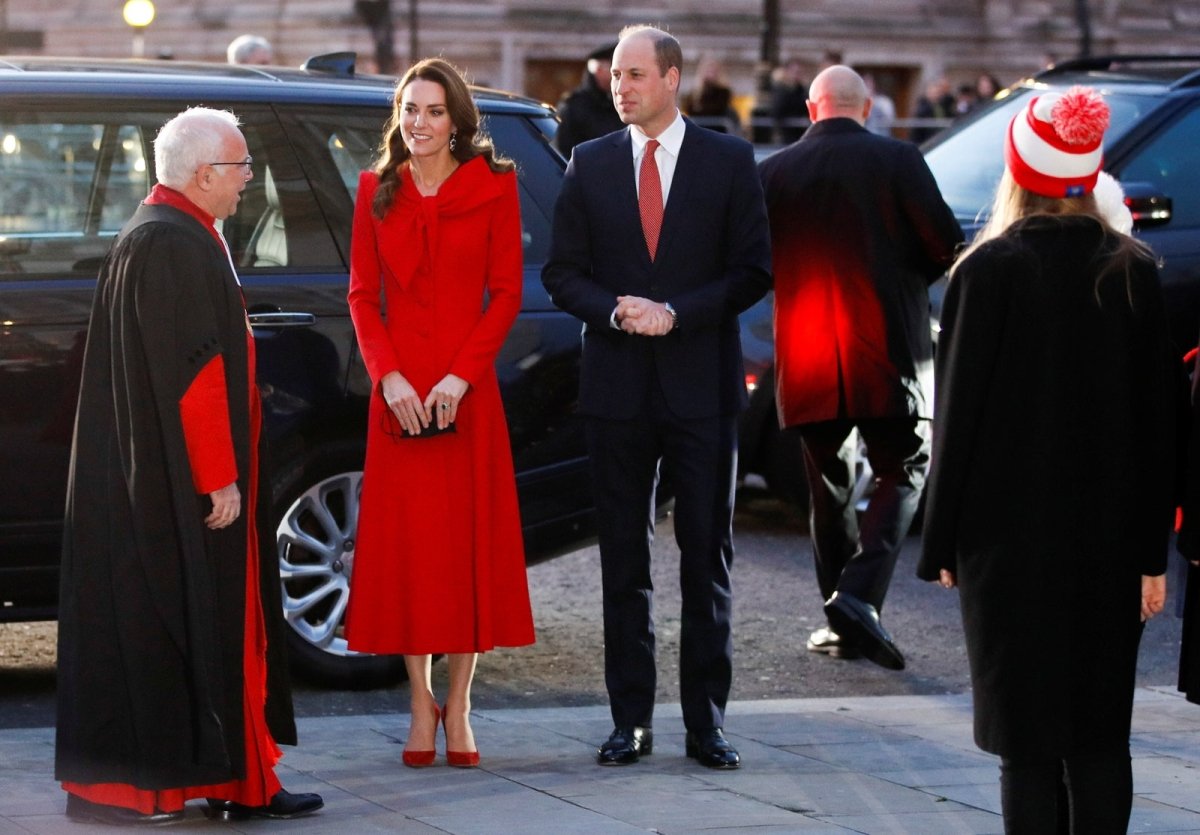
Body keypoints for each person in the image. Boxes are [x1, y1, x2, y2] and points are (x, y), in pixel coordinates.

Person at [55, 106, 323, 825]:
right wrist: (220, 475)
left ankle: (234, 780)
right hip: (184, 485)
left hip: (149, 478)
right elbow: (194, 374)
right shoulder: (174, 243)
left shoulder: (158, 230)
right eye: (240, 169)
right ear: (205, 174)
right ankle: (207, 784)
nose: (247, 183)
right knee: (201, 622)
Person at [919, 86, 1174, 832]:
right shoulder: (1133, 270)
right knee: (1099, 739)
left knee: (1024, 745)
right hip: (1109, 541)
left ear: (1018, 173)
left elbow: (957, 418)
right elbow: (1161, 426)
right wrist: (1151, 553)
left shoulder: (986, 271)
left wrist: (939, 542)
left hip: (1006, 544)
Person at [542, 24, 772, 770]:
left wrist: (679, 312)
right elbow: (562, 272)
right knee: (623, 562)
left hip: (701, 387)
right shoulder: (590, 160)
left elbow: (752, 270)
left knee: (707, 557)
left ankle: (706, 723)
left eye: (636, 74)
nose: (621, 86)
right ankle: (630, 720)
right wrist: (615, 308)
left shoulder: (730, 160)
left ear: (672, 79)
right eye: (615, 75)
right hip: (616, 389)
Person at [344, 57, 535, 769]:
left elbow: (507, 293)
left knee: (464, 552)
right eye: (408, 110)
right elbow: (362, 296)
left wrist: (459, 377)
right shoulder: (374, 191)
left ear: (457, 119)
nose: (416, 123)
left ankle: (459, 706)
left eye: (430, 111)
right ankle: (419, 703)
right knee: (408, 554)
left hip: (467, 395)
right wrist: (388, 376)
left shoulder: (496, 186)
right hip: (397, 398)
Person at [757, 65, 961, 671]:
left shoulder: (772, 173)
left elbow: (757, 264)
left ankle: (842, 618)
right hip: (888, 346)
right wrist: (902, 286)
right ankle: (858, 595)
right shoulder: (899, 161)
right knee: (908, 465)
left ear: (812, 110)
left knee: (829, 488)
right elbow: (947, 245)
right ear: (866, 108)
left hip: (809, 352)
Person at [555, 42, 624, 157]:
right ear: (598, 70)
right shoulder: (574, 107)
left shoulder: (621, 102)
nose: (620, 78)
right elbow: (563, 153)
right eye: (615, 73)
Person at [681, 55, 741, 133]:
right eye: (708, 69)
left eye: (713, 70)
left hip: (718, 132)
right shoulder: (694, 95)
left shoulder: (724, 94)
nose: (710, 72)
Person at [769, 58, 808, 143]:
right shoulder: (781, 89)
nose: (797, 76)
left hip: (801, 134)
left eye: (800, 72)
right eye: (795, 72)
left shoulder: (802, 90)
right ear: (786, 72)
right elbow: (777, 110)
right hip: (785, 134)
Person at [910, 75, 954, 143]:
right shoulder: (922, 107)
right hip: (927, 140)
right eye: (934, 92)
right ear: (928, 92)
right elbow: (917, 131)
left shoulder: (943, 105)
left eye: (938, 92)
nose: (936, 94)